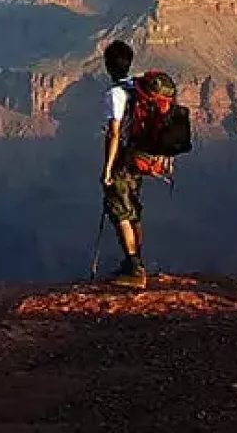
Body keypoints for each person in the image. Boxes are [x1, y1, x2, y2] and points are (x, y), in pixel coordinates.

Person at [100, 39, 146, 287]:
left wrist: (107, 169)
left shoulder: (115, 94)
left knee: (120, 211)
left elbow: (114, 133)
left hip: (123, 161)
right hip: (139, 158)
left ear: (108, 66)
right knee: (133, 210)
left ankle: (134, 267)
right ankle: (136, 261)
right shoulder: (136, 89)